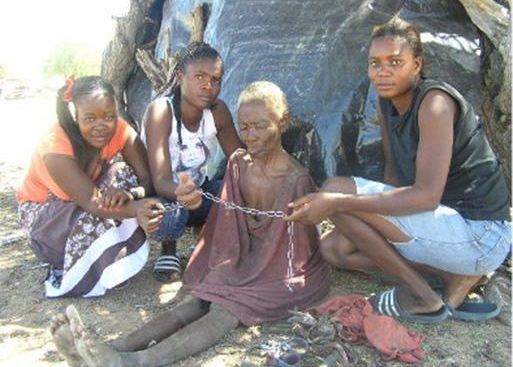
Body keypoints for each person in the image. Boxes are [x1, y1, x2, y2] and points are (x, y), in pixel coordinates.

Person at [50, 81, 331, 366]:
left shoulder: (296, 180)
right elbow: (229, 227)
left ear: (283, 122)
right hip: (242, 258)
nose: (251, 136)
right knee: (195, 301)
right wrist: (228, 264)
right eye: (244, 128)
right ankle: (109, 349)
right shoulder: (237, 164)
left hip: (276, 272)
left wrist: (249, 274)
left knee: (223, 309)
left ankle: (134, 362)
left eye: (260, 126)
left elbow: (295, 253)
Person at [286, 16, 511, 323]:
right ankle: (452, 276)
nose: (383, 72)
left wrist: (339, 203)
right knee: (335, 250)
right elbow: (393, 173)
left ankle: (421, 294)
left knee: (335, 192)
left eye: (395, 62)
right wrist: (372, 220)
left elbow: (426, 197)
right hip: (445, 225)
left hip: (481, 235)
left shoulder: (435, 104)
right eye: (375, 63)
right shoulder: (387, 101)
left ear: (417, 65)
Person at [16, 76, 164, 298]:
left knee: (122, 172)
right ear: (76, 117)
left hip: (85, 202)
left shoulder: (120, 131)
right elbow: (93, 203)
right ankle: (72, 264)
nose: (101, 126)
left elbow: (147, 178)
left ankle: (110, 259)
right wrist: (137, 208)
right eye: (90, 119)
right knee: (93, 214)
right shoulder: (55, 144)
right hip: (45, 220)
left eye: (109, 116)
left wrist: (130, 194)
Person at [142, 41, 243, 282]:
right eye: (199, 76)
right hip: (165, 194)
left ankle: (207, 243)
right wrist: (182, 192)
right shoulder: (161, 112)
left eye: (216, 80)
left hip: (198, 193)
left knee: (233, 194)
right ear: (179, 77)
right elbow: (159, 179)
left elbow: (239, 159)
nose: (208, 86)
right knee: (167, 216)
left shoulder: (217, 112)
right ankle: (168, 248)